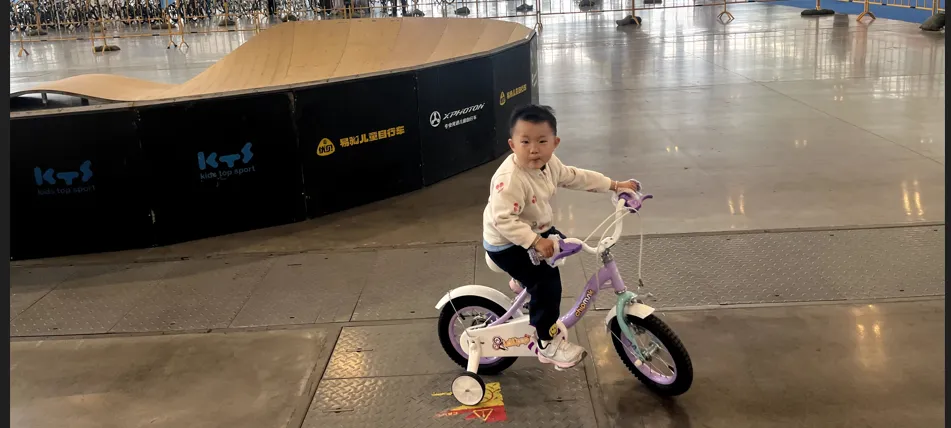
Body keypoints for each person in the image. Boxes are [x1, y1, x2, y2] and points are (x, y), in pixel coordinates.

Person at [482, 104, 639, 370]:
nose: (534, 149)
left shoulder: (549, 164)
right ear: (512, 145)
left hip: (535, 228)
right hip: (507, 243)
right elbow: (503, 220)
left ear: (555, 143)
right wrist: (536, 242)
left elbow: (575, 177)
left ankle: (521, 282)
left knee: (566, 246)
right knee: (547, 283)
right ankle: (546, 342)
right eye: (525, 142)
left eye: (542, 141)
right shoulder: (509, 180)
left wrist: (614, 185)